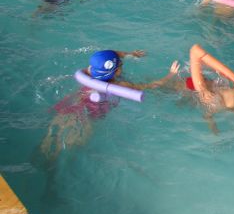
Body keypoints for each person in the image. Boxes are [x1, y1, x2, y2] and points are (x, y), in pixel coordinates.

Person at [40, 50, 179, 160]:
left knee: (50, 140)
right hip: (90, 112)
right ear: (116, 71)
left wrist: (130, 54)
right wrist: (170, 75)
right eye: (121, 65)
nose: (122, 65)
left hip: (73, 102)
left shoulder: (89, 72)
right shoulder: (120, 84)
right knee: (68, 148)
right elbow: (150, 86)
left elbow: (111, 53)